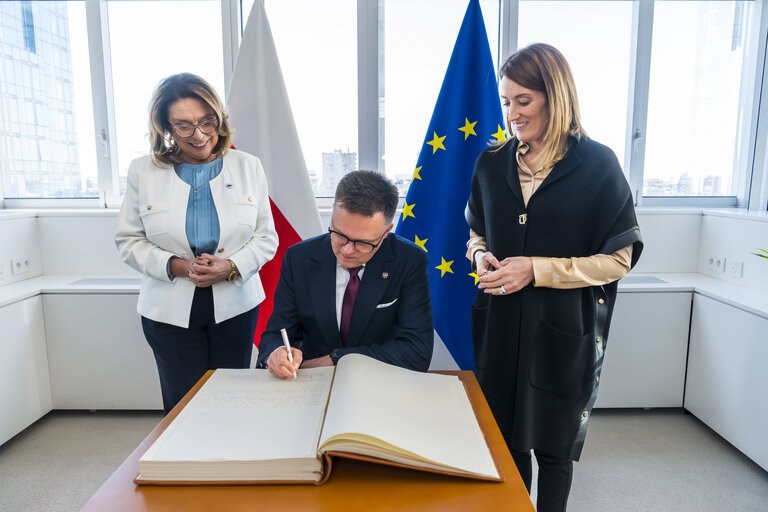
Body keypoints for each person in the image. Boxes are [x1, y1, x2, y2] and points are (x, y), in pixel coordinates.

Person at [465, 43, 643, 511]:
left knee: (554, 447)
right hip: (501, 325)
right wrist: (480, 255)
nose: (512, 114)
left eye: (523, 101)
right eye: (506, 102)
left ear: (555, 95)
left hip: (562, 330)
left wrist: (538, 270)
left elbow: (620, 258)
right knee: (508, 443)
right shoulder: (490, 163)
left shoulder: (598, 165)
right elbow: (476, 232)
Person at [115, 73, 278, 414]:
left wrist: (231, 266)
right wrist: (181, 267)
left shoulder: (249, 167)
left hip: (237, 305)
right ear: (165, 127)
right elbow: (129, 241)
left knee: (231, 401)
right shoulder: (143, 171)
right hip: (168, 310)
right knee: (183, 407)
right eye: (184, 125)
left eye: (207, 121)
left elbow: (266, 237)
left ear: (219, 118)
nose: (200, 134)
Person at [258, 170, 433, 377]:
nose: (347, 250)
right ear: (332, 215)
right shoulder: (299, 258)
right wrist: (276, 353)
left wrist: (337, 359)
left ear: (386, 232)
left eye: (362, 243)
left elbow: (417, 351)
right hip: (313, 382)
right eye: (339, 235)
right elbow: (276, 334)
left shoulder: (409, 260)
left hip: (382, 381)